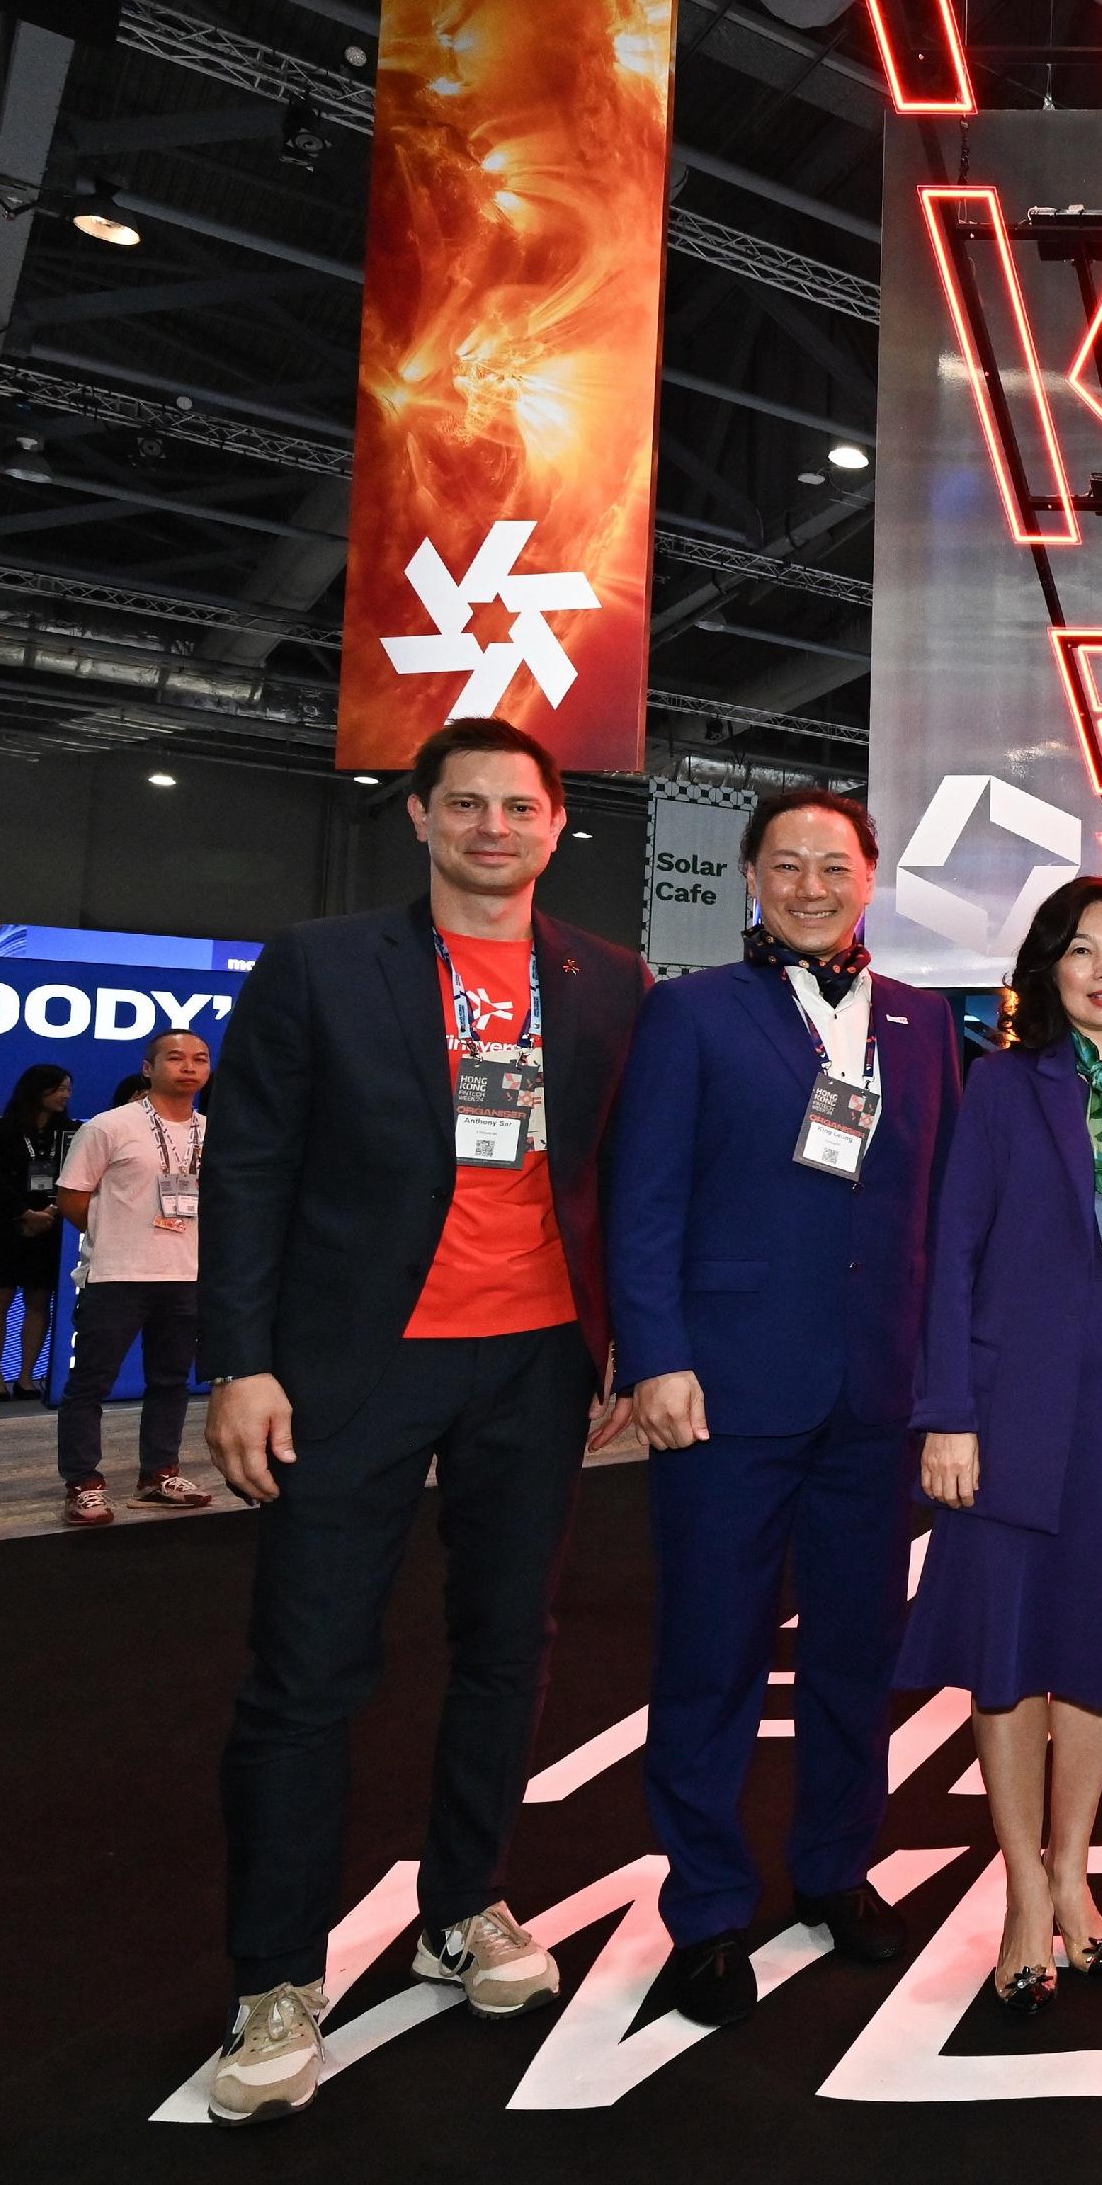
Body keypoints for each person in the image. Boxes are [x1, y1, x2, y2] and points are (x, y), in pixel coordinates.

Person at [195, 717, 648, 2126]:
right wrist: (241, 1361)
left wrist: (625, 1341)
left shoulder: (607, 979)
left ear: (557, 823)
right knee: (306, 1669)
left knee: (506, 1651)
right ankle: (276, 1974)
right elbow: (251, 1165)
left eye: (520, 804)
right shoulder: (325, 961)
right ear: (420, 816)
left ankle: (464, 1904)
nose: (494, 826)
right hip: (355, 1365)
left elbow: (622, 1175)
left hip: (532, 1364)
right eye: (468, 803)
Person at [604, 788, 963, 2029]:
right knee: (713, 1655)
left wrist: (945, 1373)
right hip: (726, 1388)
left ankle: (833, 1868)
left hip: (874, 1392)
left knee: (857, 1653)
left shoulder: (921, 1022)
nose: (812, 885)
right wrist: (653, 1355)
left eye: (835, 864)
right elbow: (641, 1197)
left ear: (872, 876)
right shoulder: (693, 1012)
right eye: (787, 864)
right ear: (751, 876)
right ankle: (706, 1907)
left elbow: (941, 1212)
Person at [902, 878, 1102, 2019]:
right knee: (1008, 1653)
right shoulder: (1000, 1087)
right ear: (1047, 971)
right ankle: (1023, 1886)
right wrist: (947, 1410)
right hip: (1014, 1416)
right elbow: (950, 1254)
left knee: (1099, 1651)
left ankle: (1077, 1867)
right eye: (1081, 950)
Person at [50, 1031, 216, 1526]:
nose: (189, 1067)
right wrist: (115, 1235)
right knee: (90, 1384)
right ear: (148, 1068)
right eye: (176, 1057)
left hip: (187, 1273)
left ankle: (159, 1473)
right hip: (118, 1274)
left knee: (171, 1381)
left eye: (200, 1059)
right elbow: (72, 1196)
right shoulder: (109, 1126)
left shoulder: (214, 1131)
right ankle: (82, 1481)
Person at [0, 1063, 75, 1400]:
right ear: (38, 1089)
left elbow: (74, 1177)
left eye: (68, 1089)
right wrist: (22, 1213)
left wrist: (48, 1212)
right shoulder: (1, 1130)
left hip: (51, 1225)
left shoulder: (71, 1132)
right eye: (59, 1088)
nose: (65, 1095)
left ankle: (27, 1376)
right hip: (6, 1224)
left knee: (39, 1301)